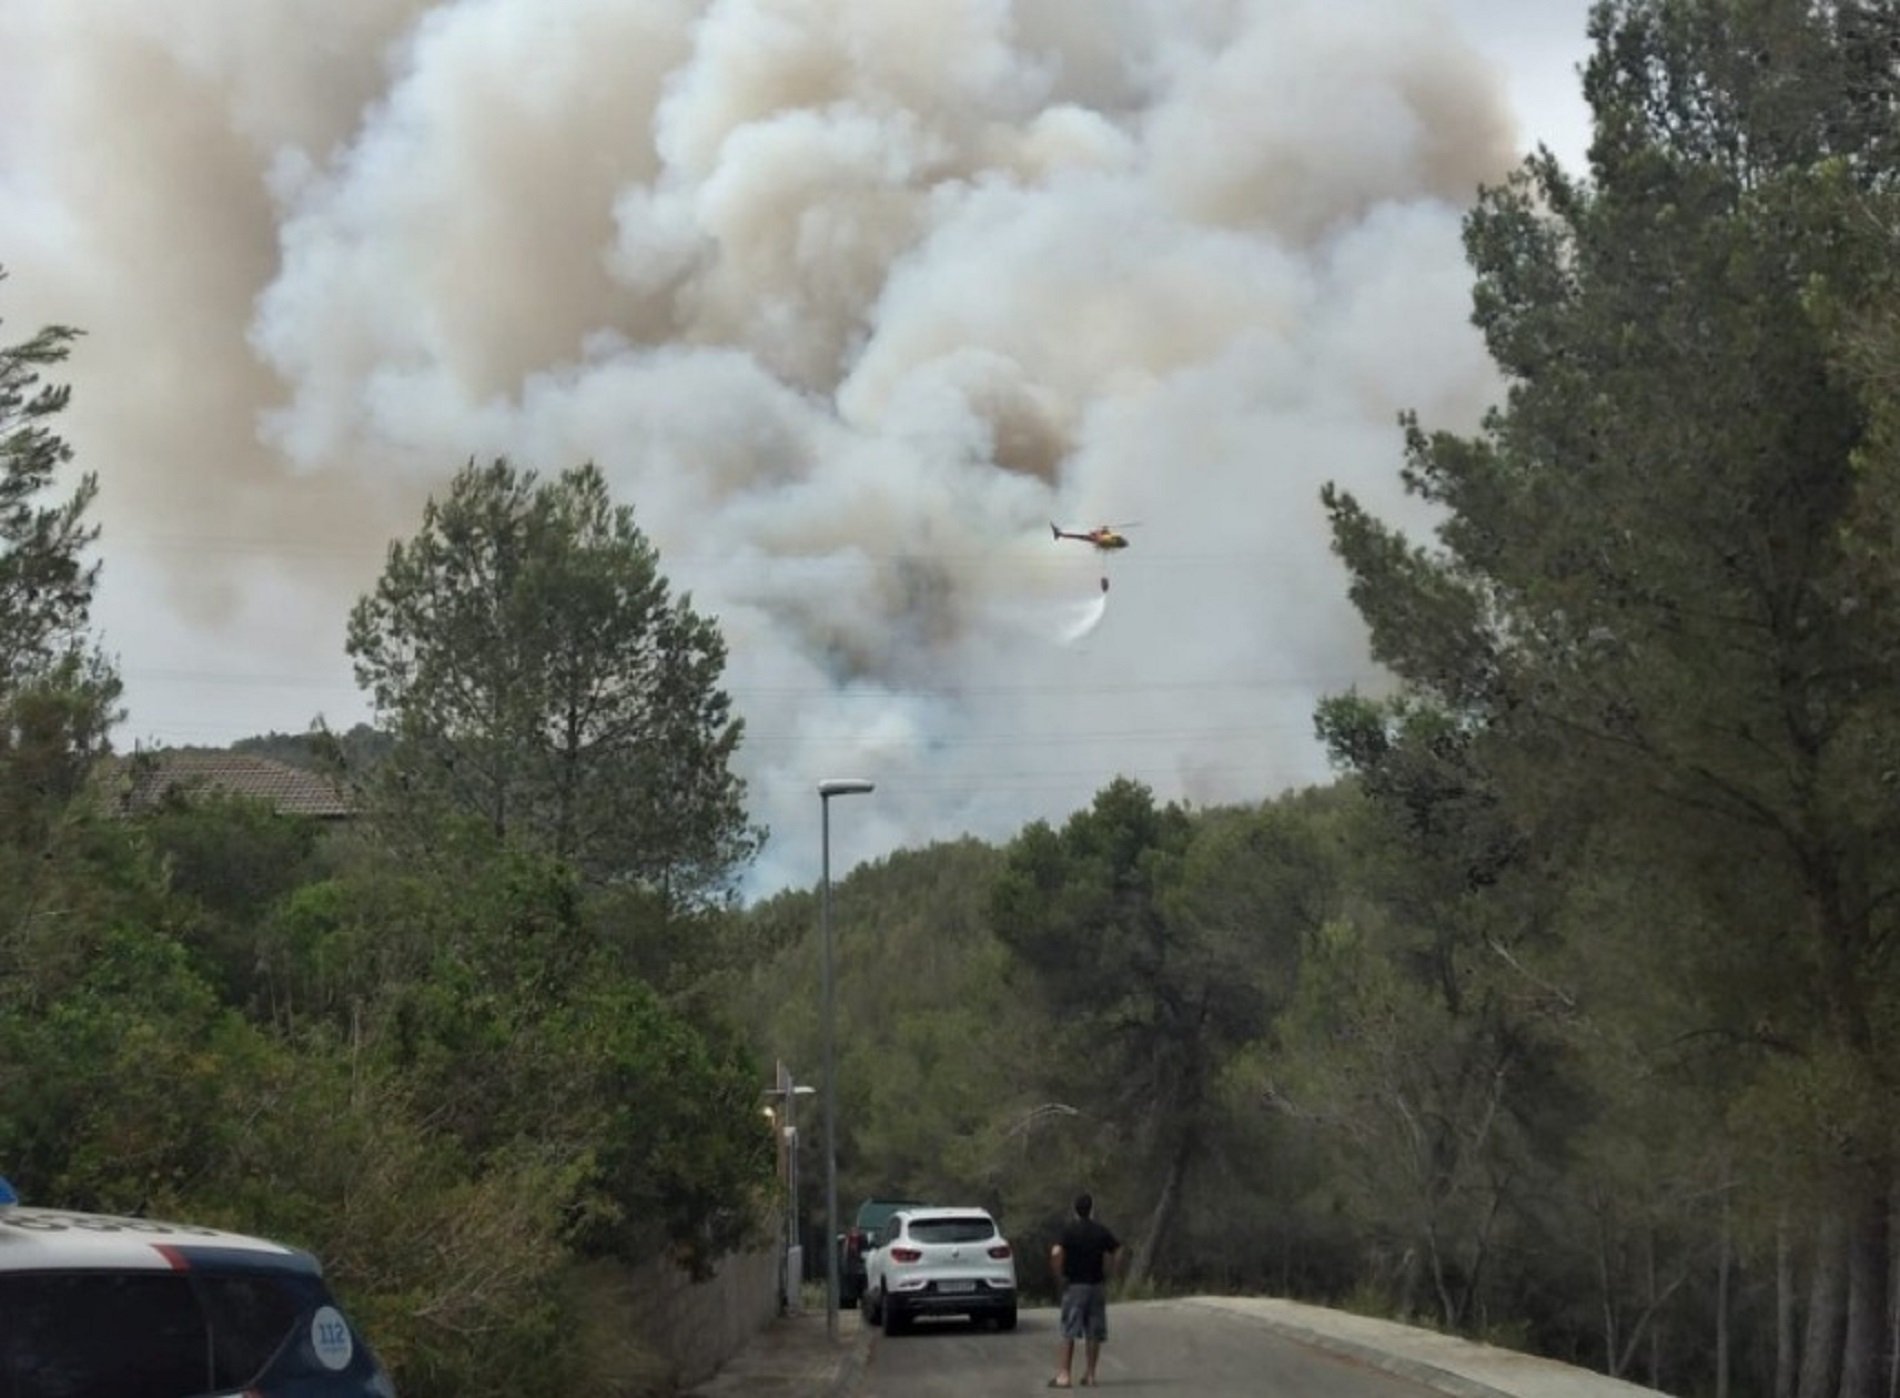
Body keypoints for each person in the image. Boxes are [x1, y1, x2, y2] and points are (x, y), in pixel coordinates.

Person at [1048, 1192, 1121, 1388]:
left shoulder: (1068, 1231)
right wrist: (1111, 1271)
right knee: (1094, 1331)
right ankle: (1090, 1375)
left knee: (1069, 1330)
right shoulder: (1101, 1231)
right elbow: (1116, 1250)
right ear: (1092, 1210)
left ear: (1075, 1210)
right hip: (1096, 1285)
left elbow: (1056, 1253)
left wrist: (1059, 1275)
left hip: (1075, 1286)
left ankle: (1064, 1375)